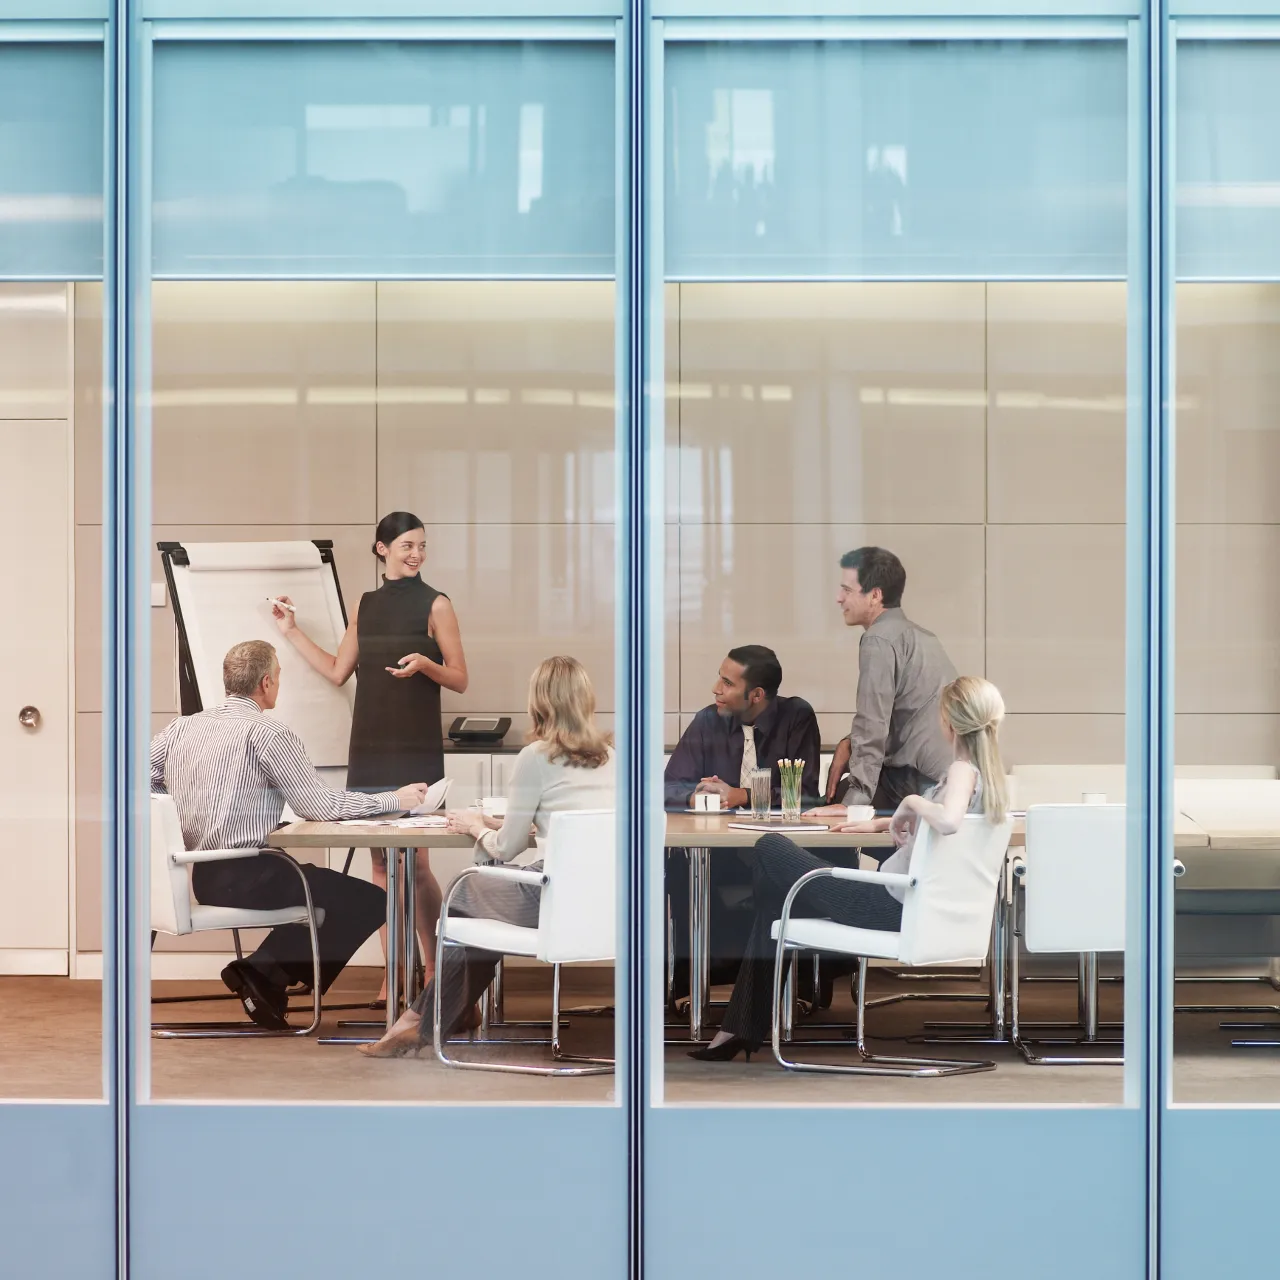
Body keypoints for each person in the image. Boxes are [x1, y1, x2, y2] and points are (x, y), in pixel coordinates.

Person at [688, 675, 1009, 1062]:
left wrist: (909, 801)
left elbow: (949, 820)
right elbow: (943, 826)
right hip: (904, 904)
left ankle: (740, 1026)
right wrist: (879, 823)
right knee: (777, 903)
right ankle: (736, 1030)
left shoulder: (962, 770)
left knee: (770, 847)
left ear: (949, 722)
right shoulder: (990, 782)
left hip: (887, 905)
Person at [150, 640, 424, 1031]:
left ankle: (267, 978)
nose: (278, 683)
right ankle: (262, 973)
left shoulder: (182, 728)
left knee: (331, 892)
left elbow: (137, 778)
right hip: (253, 876)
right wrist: (392, 799)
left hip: (202, 875)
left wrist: (175, 812)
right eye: (278, 677)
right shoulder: (268, 733)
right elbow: (321, 807)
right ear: (265, 683)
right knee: (370, 900)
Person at [359, 655, 615, 1059]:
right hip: (614, 902)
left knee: (467, 890)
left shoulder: (537, 756)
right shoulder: (613, 758)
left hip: (555, 898)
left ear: (540, 703)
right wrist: (518, 821)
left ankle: (428, 1018)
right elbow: (581, 824)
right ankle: (446, 1012)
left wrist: (476, 826)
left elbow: (506, 849)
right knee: (480, 899)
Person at [273, 511, 468, 989]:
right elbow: (340, 671)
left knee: (417, 861)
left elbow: (461, 678)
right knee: (379, 863)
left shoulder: (437, 604)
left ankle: (432, 966)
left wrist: (427, 663)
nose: (416, 554)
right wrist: (291, 630)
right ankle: (394, 972)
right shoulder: (365, 605)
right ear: (382, 549)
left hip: (414, 744)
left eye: (421, 545)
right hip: (370, 745)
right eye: (407, 546)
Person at [663, 647, 821, 1002]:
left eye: (726, 682)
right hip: (719, 856)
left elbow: (805, 793)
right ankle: (693, 984)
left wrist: (742, 795)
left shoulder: (796, 717)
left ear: (756, 695)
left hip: (784, 852)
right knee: (677, 869)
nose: (716, 689)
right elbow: (666, 787)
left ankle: (783, 990)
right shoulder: (708, 720)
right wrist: (696, 794)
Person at [820, 546, 957, 813]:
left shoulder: (878, 639)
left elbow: (872, 724)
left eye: (847, 590)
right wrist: (848, 742)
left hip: (915, 781)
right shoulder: (921, 636)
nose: (839, 598)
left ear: (875, 595)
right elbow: (905, 713)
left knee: (829, 812)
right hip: (945, 780)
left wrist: (853, 803)